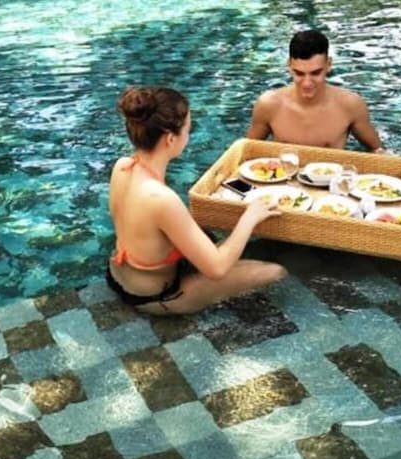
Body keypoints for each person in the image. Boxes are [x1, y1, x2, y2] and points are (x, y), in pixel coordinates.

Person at [107, 86, 287, 314]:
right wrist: (250, 218)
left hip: (118, 275)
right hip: (156, 296)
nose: (188, 136)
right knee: (275, 272)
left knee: (209, 237)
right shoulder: (161, 199)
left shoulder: (123, 166)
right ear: (170, 139)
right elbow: (217, 269)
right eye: (188, 129)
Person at [247, 28, 383, 151]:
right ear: (289, 66)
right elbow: (247, 152)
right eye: (299, 73)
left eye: (316, 73)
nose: (307, 83)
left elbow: (377, 152)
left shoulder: (350, 105)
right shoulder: (268, 105)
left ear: (328, 64)